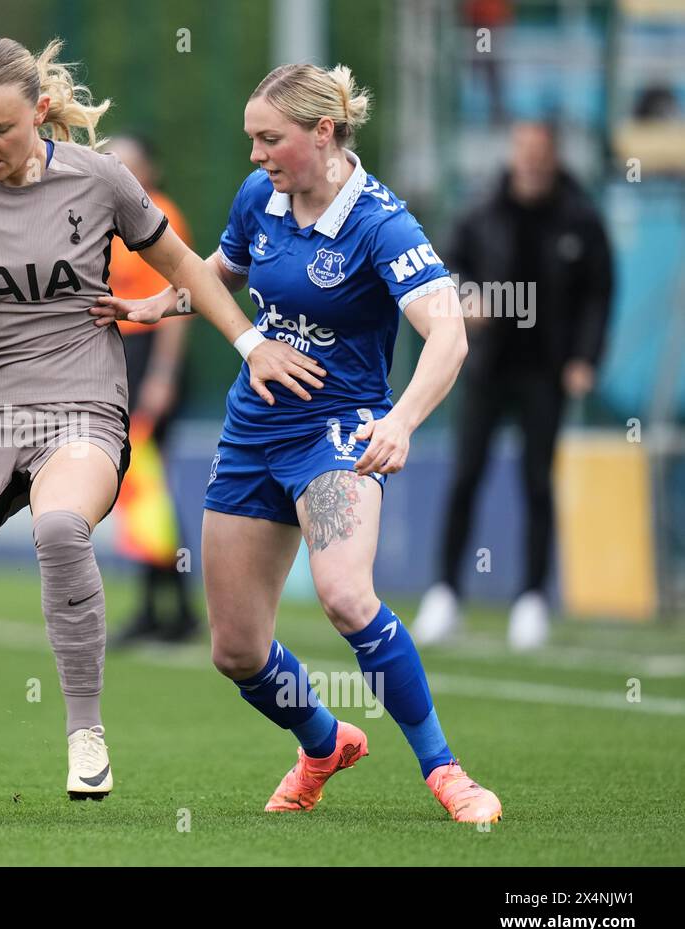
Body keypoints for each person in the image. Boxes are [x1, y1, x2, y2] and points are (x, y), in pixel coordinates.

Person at [0, 37, 322, 821]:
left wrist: (250, 346)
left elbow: (187, 269)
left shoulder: (101, 179)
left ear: (39, 111)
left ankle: (85, 733)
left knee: (59, 531)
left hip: (82, 404)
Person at [91, 64, 501, 823]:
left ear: (323, 133)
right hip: (252, 432)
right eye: (251, 138)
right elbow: (218, 274)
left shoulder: (383, 224)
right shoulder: (261, 198)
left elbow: (447, 333)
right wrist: (155, 305)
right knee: (237, 652)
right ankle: (322, 741)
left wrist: (402, 420)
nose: (255, 155)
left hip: (338, 435)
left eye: (269, 138)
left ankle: (445, 770)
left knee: (347, 595)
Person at [412, 121, 614, 650]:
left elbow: (598, 293)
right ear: (512, 154)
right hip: (484, 368)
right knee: (466, 477)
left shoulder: (580, 218)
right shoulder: (481, 212)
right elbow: (441, 270)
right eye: (522, 151)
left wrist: (584, 358)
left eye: (539, 152)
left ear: (553, 156)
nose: (530, 161)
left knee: (537, 483)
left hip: (545, 371)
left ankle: (530, 600)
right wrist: (464, 299)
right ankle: (445, 593)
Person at [103, 134, 199, 645]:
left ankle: (172, 609)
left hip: (150, 360)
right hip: (120, 360)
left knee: (146, 486)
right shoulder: (108, 221)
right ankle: (166, 609)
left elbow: (180, 299)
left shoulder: (161, 216)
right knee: (139, 488)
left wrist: (162, 377)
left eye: (127, 163)